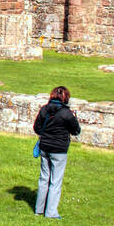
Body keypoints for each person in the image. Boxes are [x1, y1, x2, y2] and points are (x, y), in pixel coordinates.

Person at [33, 86, 81, 219]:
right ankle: (51, 213)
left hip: (45, 147)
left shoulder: (44, 109)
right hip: (59, 150)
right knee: (55, 181)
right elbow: (76, 130)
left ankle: (39, 209)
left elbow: (37, 128)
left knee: (44, 178)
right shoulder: (66, 114)